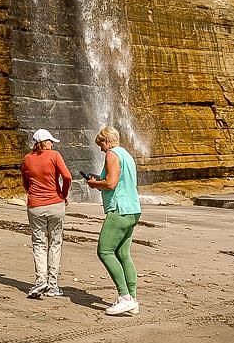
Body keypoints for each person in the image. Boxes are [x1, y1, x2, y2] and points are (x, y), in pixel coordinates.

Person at [85, 125, 142, 316]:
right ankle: (133, 299)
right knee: (123, 254)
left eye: (101, 144)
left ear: (107, 141)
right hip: (133, 209)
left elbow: (111, 183)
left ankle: (124, 297)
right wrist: (99, 182)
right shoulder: (127, 154)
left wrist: (94, 184)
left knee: (105, 250)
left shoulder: (112, 154)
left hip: (120, 210)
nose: (101, 149)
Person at [20, 128, 72, 299]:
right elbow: (67, 177)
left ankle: (40, 281)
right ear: (43, 142)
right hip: (56, 204)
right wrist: (63, 194)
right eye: (50, 141)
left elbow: (25, 183)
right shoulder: (55, 155)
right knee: (55, 243)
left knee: (39, 244)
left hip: (35, 206)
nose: (52, 144)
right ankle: (52, 285)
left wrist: (34, 195)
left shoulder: (27, 159)